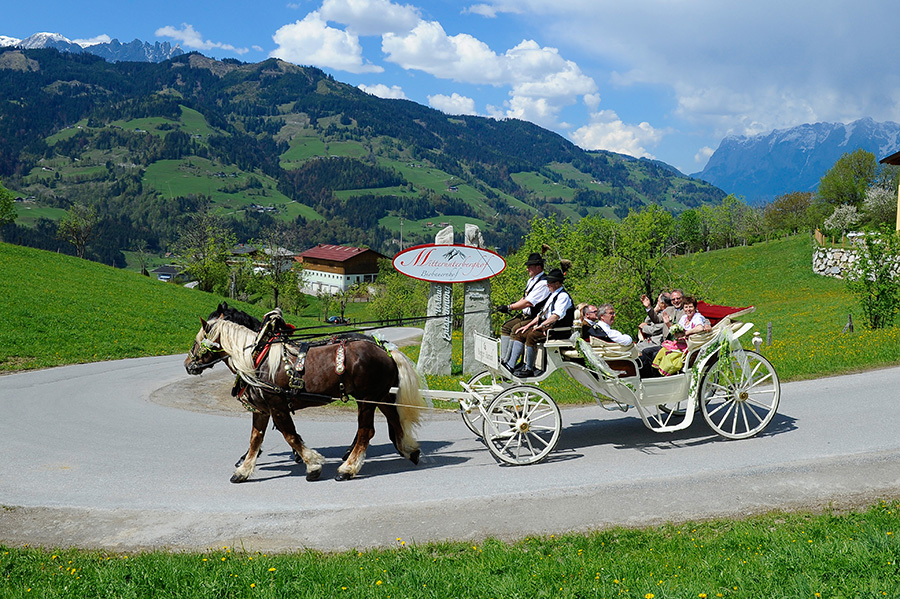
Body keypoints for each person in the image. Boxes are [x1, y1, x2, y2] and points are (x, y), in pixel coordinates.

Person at [506, 268, 573, 378]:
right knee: (520, 333)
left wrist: (542, 326)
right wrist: (527, 326)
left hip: (558, 330)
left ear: (557, 283)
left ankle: (529, 369)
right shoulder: (553, 294)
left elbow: (556, 316)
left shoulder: (563, 296)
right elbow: (541, 315)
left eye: (550, 282)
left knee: (532, 336)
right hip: (548, 327)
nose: (547, 285)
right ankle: (510, 365)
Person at [495, 252, 550, 369]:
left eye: (530, 266)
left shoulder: (543, 283)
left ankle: (509, 363)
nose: (527, 269)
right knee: (506, 326)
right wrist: (512, 305)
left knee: (515, 330)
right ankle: (503, 358)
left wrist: (509, 307)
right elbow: (524, 298)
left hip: (535, 317)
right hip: (525, 315)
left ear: (538, 267)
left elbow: (528, 303)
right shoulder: (531, 281)